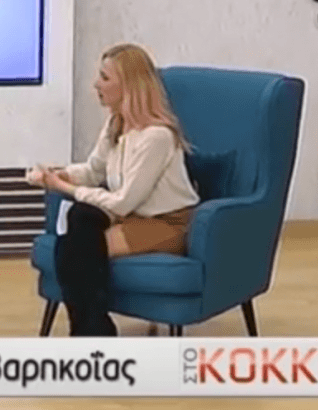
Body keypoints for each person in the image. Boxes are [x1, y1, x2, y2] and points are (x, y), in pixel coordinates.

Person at [27, 43, 200, 336]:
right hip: (133, 214)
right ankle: (94, 329)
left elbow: (122, 202)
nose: (96, 84)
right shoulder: (115, 124)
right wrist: (61, 175)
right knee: (81, 217)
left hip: (167, 223)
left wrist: (64, 187)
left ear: (129, 85)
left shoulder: (157, 138)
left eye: (105, 78)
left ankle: (91, 333)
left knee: (76, 250)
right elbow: (94, 171)